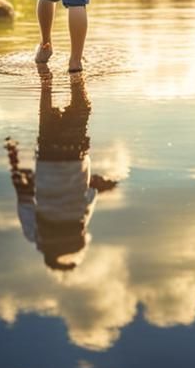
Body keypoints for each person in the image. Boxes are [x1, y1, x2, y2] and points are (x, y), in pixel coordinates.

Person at [6, 67, 118, 272]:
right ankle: (45, 75)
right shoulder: (35, 235)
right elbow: (23, 194)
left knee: (82, 106)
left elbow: (91, 193)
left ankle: (74, 73)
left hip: (76, 154)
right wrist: (13, 157)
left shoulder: (79, 222)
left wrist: (106, 184)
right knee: (46, 109)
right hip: (48, 157)